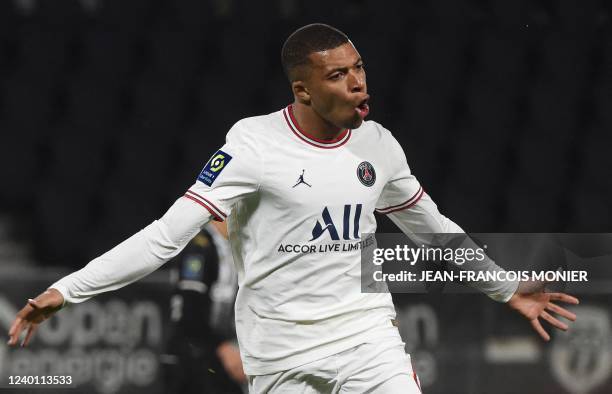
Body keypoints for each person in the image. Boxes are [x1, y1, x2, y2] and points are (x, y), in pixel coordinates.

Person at [8, 24, 579, 393]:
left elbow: (434, 232)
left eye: (359, 67)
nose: (357, 83)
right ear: (303, 91)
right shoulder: (254, 146)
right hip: (277, 353)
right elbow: (166, 236)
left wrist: (504, 287)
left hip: (366, 340)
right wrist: (70, 289)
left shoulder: (378, 144)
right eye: (339, 75)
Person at [161, 221, 245, 394]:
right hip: (189, 356)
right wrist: (224, 348)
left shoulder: (230, 246)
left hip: (210, 353)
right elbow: (190, 310)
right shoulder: (199, 246)